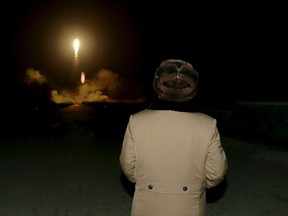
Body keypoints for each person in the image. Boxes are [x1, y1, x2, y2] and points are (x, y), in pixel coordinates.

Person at [119, 59, 228, 216]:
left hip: (148, 203)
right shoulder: (207, 124)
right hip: (189, 205)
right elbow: (217, 172)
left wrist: (149, 183)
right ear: (192, 89)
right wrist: (197, 185)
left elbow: (128, 165)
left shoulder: (137, 120)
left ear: (158, 86)